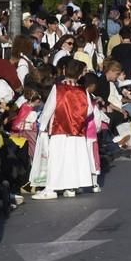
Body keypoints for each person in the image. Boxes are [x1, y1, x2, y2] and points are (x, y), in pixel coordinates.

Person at [32, 59, 94, 200]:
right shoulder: (83, 90)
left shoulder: (58, 88)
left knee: (57, 159)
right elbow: (89, 109)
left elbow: (49, 109)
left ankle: (51, 188)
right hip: (77, 129)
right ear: (79, 75)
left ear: (65, 70)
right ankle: (71, 187)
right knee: (73, 159)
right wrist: (78, 118)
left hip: (59, 127)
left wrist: (42, 126)